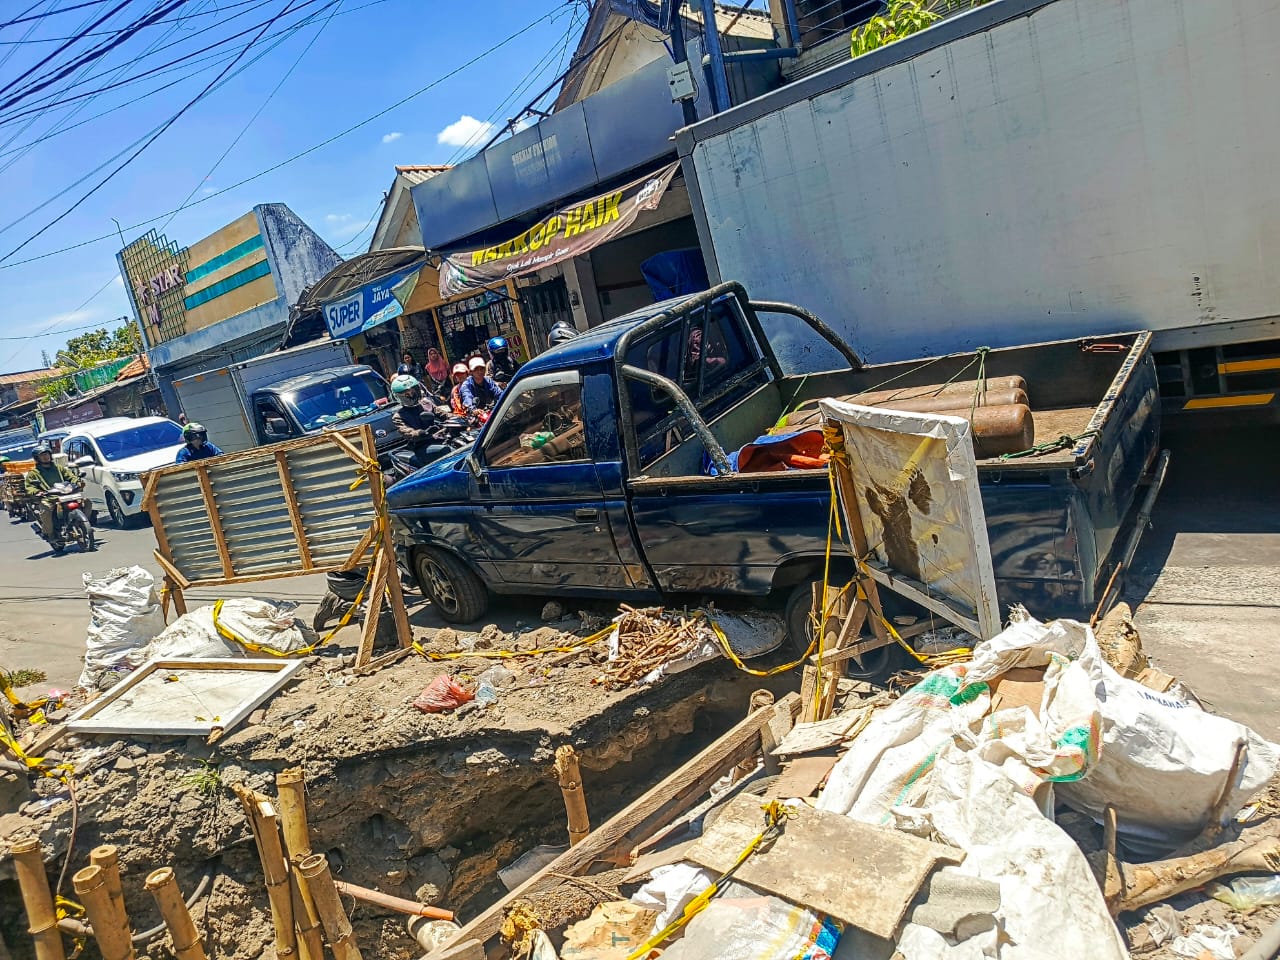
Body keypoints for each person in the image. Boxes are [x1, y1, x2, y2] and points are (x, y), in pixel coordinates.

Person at [24, 443, 82, 543]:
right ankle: (50, 534)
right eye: (42, 455)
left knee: (86, 502)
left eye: (47, 454)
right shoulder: (33, 473)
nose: (45, 457)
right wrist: (37, 492)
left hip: (66, 494)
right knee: (46, 511)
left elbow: (70, 476)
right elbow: (29, 487)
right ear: (37, 458)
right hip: (48, 498)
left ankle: (83, 523)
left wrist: (77, 481)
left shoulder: (59, 468)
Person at [389, 375, 450, 469]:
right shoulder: (398, 416)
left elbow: (443, 414)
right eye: (406, 394)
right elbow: (407, 432)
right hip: (422, 446)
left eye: (413, 391)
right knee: (446, 450)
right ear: (398, 396)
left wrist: (461, 419)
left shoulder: (426, 403)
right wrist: (422, 433)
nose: (411, 395)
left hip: (440, 438)